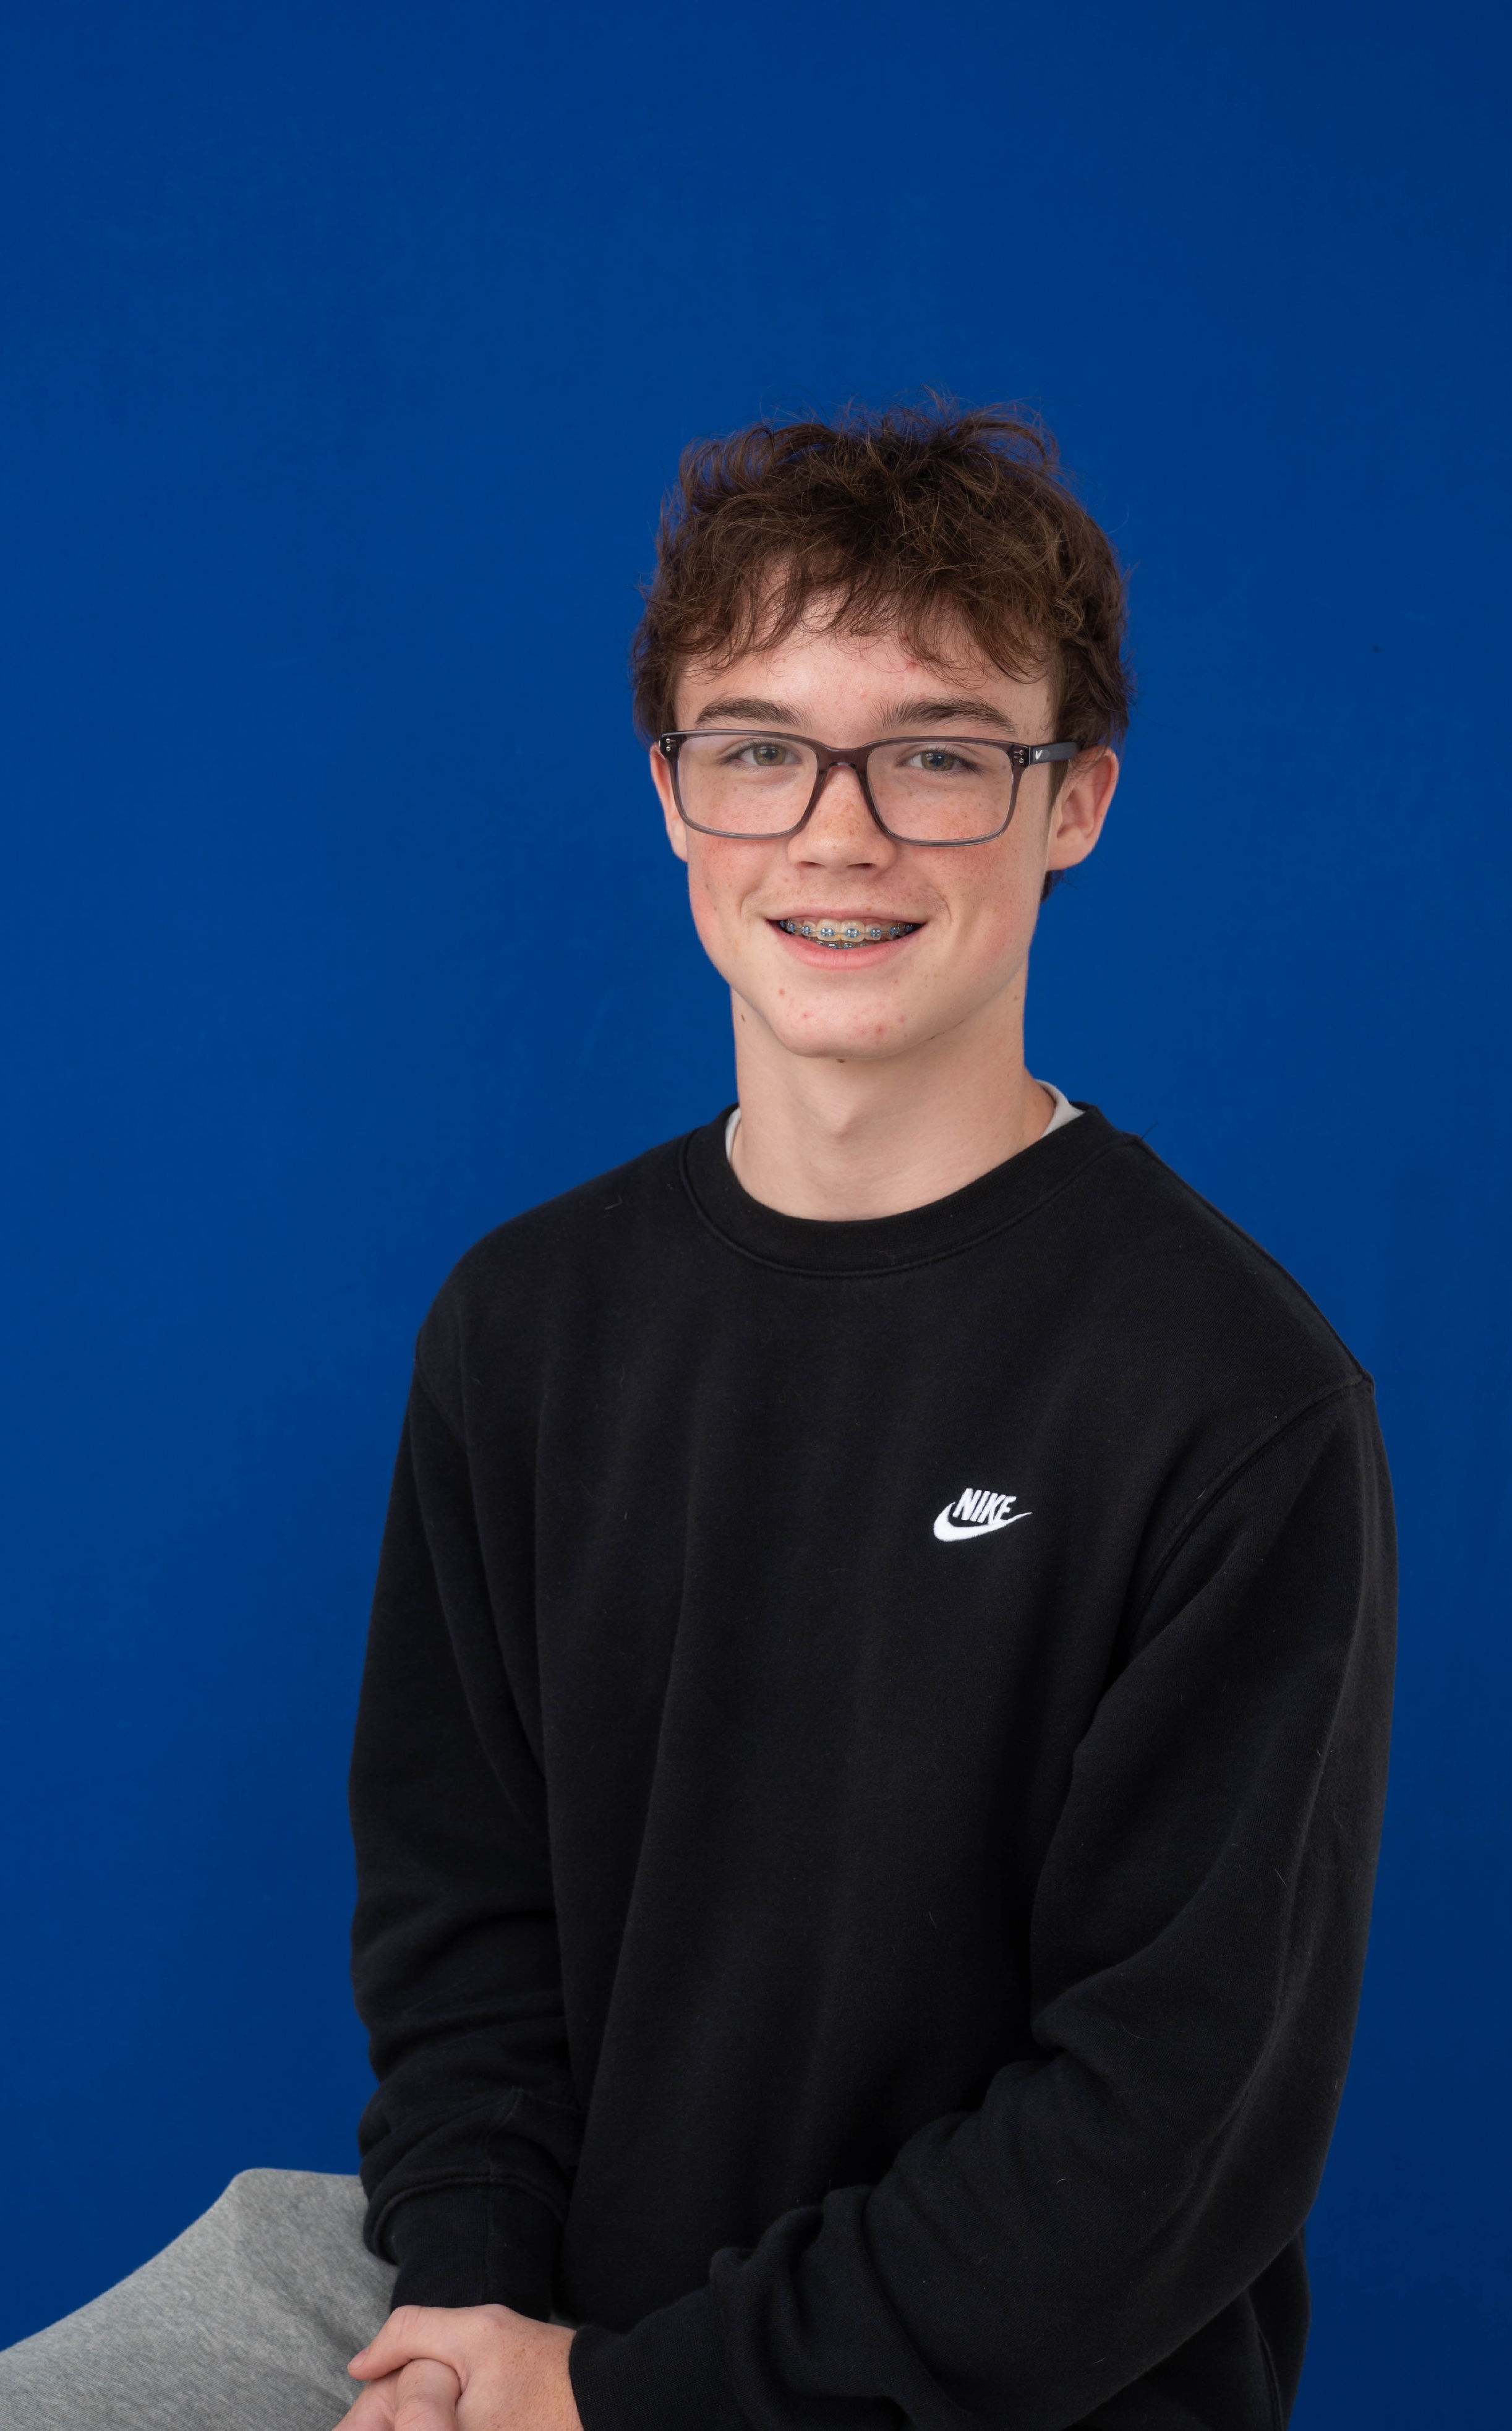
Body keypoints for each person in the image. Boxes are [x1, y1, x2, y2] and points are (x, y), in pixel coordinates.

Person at [0, 404, 1396, 2431]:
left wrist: (628, 2396)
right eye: (759, 749)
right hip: (551, 2309)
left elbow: (1154, 2137)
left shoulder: (1234, 1398)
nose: (838, 834)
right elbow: (466, 1933)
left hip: (967, 2388)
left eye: (937, 755)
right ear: (673, 794)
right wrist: (475, 2302)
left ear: (1074, 802)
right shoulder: (524, 1325)